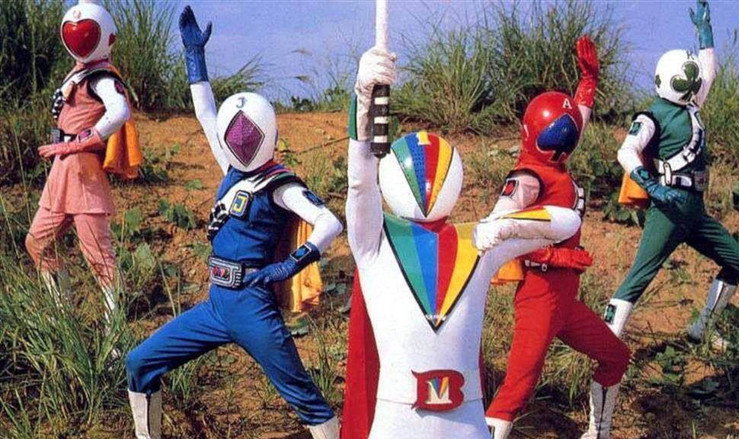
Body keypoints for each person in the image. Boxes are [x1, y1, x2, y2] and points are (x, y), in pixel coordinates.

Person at [342, 46, 582, 439]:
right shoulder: (376, 239)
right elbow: (359, 182)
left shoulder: (478, 240)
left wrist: (506, 227)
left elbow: (566, 220)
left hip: (459, 419)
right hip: (406, 418)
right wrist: (363, 103)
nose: (426, 183)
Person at [124, 7, 342, 439]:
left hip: (252, 304)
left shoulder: (279, 185)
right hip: (217, 302)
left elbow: (329, 222)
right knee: (140, 362)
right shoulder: (232, 168)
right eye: (236, 134)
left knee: (303, 396)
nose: (241, 140)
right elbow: (206, 114)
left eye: (248, 134)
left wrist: (291, 263)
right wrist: (195, 59)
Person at [482, 36, 631, 439]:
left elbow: (575, 120)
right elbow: (497, 225)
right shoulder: (527, 176)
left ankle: (598, 432)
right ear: (533, 135)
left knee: (615, 356)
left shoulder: (554, 162)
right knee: (516, 390)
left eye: (567, 135)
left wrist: (589, 81)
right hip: (540, 293)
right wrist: (550, 253)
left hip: (565, 299)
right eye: (555, 135)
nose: (563, 141)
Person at [606, 0, 739, 353]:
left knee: (737, 260)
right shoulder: (652, 116)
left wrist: (705, 35)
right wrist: (651, 186)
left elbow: (708, 72)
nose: (692, 80)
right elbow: (626, 151)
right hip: (668, 209)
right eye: (686, 77)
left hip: (694, 210)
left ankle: (703, 327)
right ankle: (605, 347)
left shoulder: (691, 105)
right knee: (638, 279)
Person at [25, 0, 141, 320]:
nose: (80, 34)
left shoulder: (101, 77)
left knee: (99, 256)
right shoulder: (78, 73)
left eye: (88, 30)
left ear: (108, 37)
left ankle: (114, 327)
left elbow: (119, 111)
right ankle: (63, 315)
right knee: (37, 243)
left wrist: (85, 139)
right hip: (62, 170)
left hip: (83, 171)